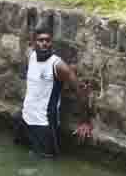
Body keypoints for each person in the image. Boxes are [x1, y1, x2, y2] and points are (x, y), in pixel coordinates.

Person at [14, 23, 94, 157]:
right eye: (40, 40)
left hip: (44, 125)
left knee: (45, 160)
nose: (44, 43)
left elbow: (80, 90)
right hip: (25, 119)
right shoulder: (31, 56)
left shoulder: (58, 66)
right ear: (34, 43)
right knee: (19, 154)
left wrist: (85, 121)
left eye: (48, 41)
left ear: (52, 43)